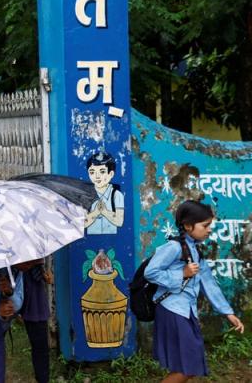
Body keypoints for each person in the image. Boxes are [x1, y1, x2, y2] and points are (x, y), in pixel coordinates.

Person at [145, 200, 244, 382]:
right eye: (205, 225)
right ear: (188, 226)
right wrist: (181, 273)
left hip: (185, 311)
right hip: (172, 310)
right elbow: (150, 272)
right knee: (188, 366)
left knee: (188, 365)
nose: (209, 230)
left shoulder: (195, 249)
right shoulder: (174, 247)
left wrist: (227, 312)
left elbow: (208, 283)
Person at [19, 261, 52, 383]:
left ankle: (42, 379)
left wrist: (45, 274)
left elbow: (41, 268)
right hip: (13, 293)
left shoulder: (36, 248)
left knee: (40, 348)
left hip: (35, 300)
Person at [84, 151, 124, 235]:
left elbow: (119, 222)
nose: (97, 176)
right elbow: (83, 223)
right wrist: (96, 212)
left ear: (111, 174)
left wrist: (105, 212)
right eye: (92, 172)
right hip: (91, 241)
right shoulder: (86, 195)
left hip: (113, 241)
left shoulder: (117, 195)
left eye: (102, 172)